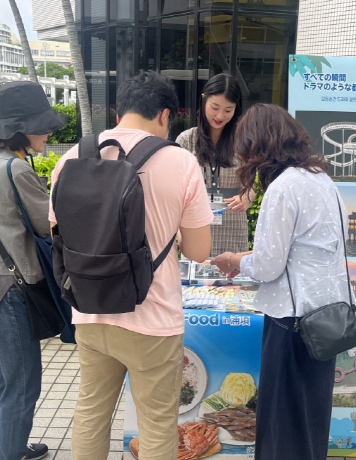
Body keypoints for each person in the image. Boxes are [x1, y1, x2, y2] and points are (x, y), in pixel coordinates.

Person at [49, 71, 213, 460]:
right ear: (164, 115)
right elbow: (199, 251)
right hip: (152, 317)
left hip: (90, 309)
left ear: (119, 110)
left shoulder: (72, 158)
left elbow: (58, 231)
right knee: (157, 424)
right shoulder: (180, 161)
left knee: (91, 412)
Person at [211, 104, 350, 460]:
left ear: (258, 145)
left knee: (281, 424)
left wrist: (235, 260)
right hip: (326, 319)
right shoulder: (322, 180)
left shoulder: (283, 188)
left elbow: (269, 266)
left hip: (290, 322)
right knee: (308, 417)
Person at [0, 81, 67, 460]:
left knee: (3, 375)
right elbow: (49, 224)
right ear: (20, 130)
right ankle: (9, 453)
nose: (48, 131)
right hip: (10, 290)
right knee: (23, 382)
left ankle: (5, 447)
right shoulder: (16, 169)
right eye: (41, 125)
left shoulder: (1, 164)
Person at [176, 73, 252, 257]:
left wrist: (247, 198)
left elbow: (250, 185)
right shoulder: (186, 140)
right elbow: (175, 190)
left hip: (232, 224)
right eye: (215, 107)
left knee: (232, 283)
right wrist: (178, 231)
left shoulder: (243, 142)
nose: (220, 116)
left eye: (228, 110)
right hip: (196, 225)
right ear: (204, 100)